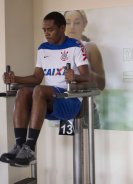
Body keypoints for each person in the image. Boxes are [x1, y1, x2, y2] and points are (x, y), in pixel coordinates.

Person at [0, 11, 90, 167]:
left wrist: (74, 76)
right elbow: (36, 78)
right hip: (46, 102)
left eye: (51, 29)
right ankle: (20, 145)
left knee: (39, 90)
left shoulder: (75, 46)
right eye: (44, 30)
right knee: (23, 91)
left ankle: (30, 148)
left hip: (70, 102)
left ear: (62, 28)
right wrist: (15, 78)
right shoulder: (42, 48)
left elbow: (88, 77)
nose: (47, 33)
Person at [64, 10, 106, 128]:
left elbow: (102, 84)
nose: (72, 27)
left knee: (94, 146)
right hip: (65, 112)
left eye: (77, 23)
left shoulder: (90, 47)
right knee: (64, 146)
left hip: (87, 112)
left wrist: (83, 73)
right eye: (67, 23)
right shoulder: (57, 49)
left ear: (84, 24)